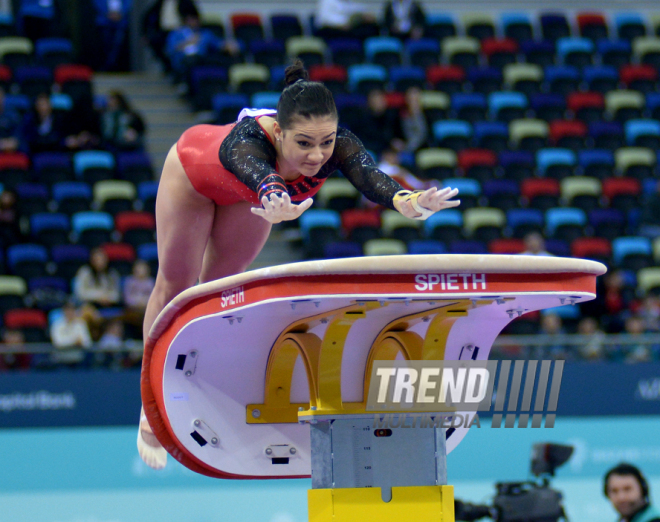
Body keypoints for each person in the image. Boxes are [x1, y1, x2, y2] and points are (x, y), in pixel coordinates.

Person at [137, 60, 460, 470]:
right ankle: (148, 401)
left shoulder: (336, 143)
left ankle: (199, 387)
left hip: (254, 200)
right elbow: (261, 175)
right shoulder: (247, 141)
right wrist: (274, 195)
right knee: (176, 285)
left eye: (325, 142)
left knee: (217, 290)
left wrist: (411, 201)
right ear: (279, 131)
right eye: (304, 143)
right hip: (192, 176)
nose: (317, 154)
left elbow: (370, 177)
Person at [142, 0, 200, 73]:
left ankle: (178, 71)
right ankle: (168, 67)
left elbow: (194, 14)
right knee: (156, 43)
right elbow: (148, 16)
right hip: (163, 32)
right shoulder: (160, 2)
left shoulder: (184, 2)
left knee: (180, 49)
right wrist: (145, 33)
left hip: (180, 31)